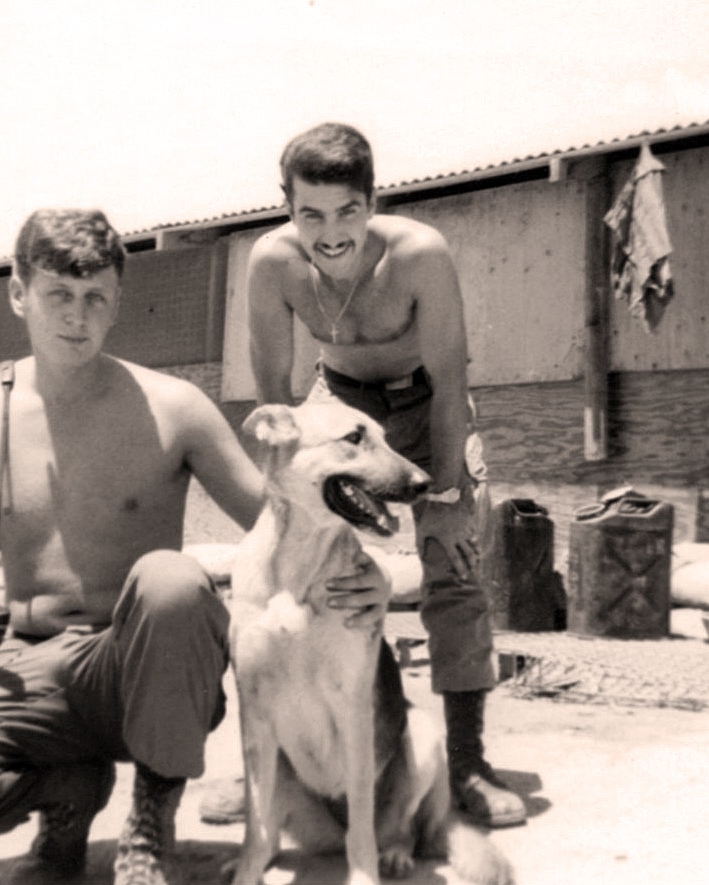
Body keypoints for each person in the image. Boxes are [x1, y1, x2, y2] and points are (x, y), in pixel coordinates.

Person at [0, 208, 390, 885]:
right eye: (58, 294)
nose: (76, 316)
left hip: (137, 668)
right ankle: (67, 795)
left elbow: (287, 516)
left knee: (173, 581)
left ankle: (150, 819)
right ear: (18, 293)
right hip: (23, 668)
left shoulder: (175, 406)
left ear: (117, 303)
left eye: (95, 297)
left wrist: (368, 574)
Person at [244, 123, 526, 828]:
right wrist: (289, 495)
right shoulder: (271, 263)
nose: (329, 232)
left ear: (372, 201)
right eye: (310, 214)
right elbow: (276, 404)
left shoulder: (418, 255)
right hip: (340, 407)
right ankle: (279, 768)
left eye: (347, 211)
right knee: (300, 566)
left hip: (429, 403)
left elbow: (452, 379)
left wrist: (450, 494)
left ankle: (466, 760)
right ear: (288, 207)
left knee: (454, 563)